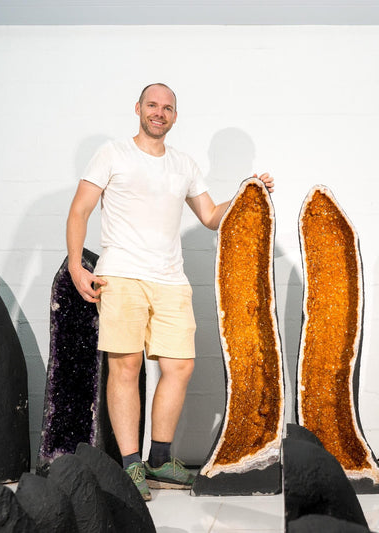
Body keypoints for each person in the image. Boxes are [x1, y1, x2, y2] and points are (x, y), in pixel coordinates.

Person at [66, 82, 274, 500]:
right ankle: (131, 467)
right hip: (121, 275)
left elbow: (212, 216)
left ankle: (160, 460)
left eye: (167, 108)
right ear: (138, 108)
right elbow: (80, 209)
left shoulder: (185, 165)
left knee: (179, 367)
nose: (159, 113)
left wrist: (248, 193)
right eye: (152, 105)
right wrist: (75, 263)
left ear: (175, 116)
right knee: (125, 367)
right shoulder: (113, 154)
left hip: (171, 280)